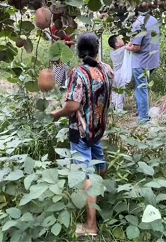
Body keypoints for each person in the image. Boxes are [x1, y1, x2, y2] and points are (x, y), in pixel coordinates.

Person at [51, 32, 113, 237]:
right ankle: (99, 193)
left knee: (86, 176)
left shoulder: (79, 73)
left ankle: (91, 226)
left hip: (81, 130)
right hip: (98, 128)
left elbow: (73, 106)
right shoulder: (105, 69)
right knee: (99, 163)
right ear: (97, 50)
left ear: (77, 51)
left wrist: (57, 114)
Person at [126, 5, 160, 124]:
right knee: (142, 87)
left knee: (141, 89)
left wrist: (129, 47)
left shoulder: (138, 24)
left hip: (141, 61)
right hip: (153, 60)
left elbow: (137, 47)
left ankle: (144, 119)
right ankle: (141, 111)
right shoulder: (154, 20)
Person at [51, 18, 75, 90]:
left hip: (59, 59)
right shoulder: (62, 38)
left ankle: (60, 86)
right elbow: (67, 42)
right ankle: (61, 86)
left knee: (59, 73)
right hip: (63, 58)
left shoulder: (56, 33)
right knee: (63, 72)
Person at [108, 34, 128, 111]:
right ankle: (119, 109)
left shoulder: (112, 52)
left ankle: (113, 105)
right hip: (121, 73)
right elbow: (129, 46)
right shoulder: (123, 49)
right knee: (121, 91)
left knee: (115, 91)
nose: (122, 39)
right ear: (117, 44)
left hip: (114, 73)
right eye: (120, 39)